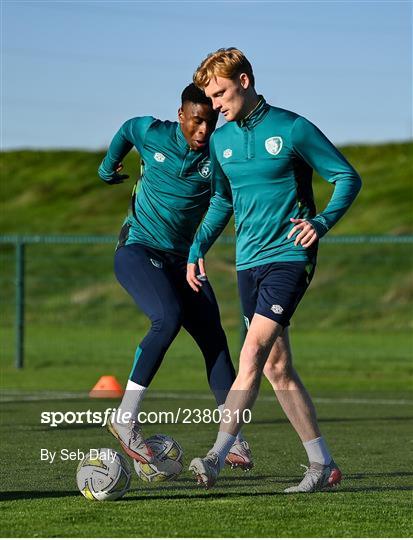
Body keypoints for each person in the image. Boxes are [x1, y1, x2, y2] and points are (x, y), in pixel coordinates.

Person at [186, 48, 362, 492]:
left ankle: (216, 456)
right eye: (211, 97)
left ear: (245, 81)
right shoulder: (223, 141)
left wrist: (321, 223)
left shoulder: (292, 127)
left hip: (289, 256)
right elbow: (222, 201)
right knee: (276, 367)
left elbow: (346, 176)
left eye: (221, 93)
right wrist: (196, 246)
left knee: (251, 354)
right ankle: (323, 465)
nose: (216, 105)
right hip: (249, 262)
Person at [97, 83, 252, 469]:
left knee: (214, 339)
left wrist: (198, 248)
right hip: (138, 249)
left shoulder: (216, 155)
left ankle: (232, 439)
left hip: (183, 260)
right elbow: (128, 128)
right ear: (181, 115)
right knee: (166, 318)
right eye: (196, 121)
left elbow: (223, 200)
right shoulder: (153, 134)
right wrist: (108, 164)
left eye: (210, 122)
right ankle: (126, 418)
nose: (202, 130)